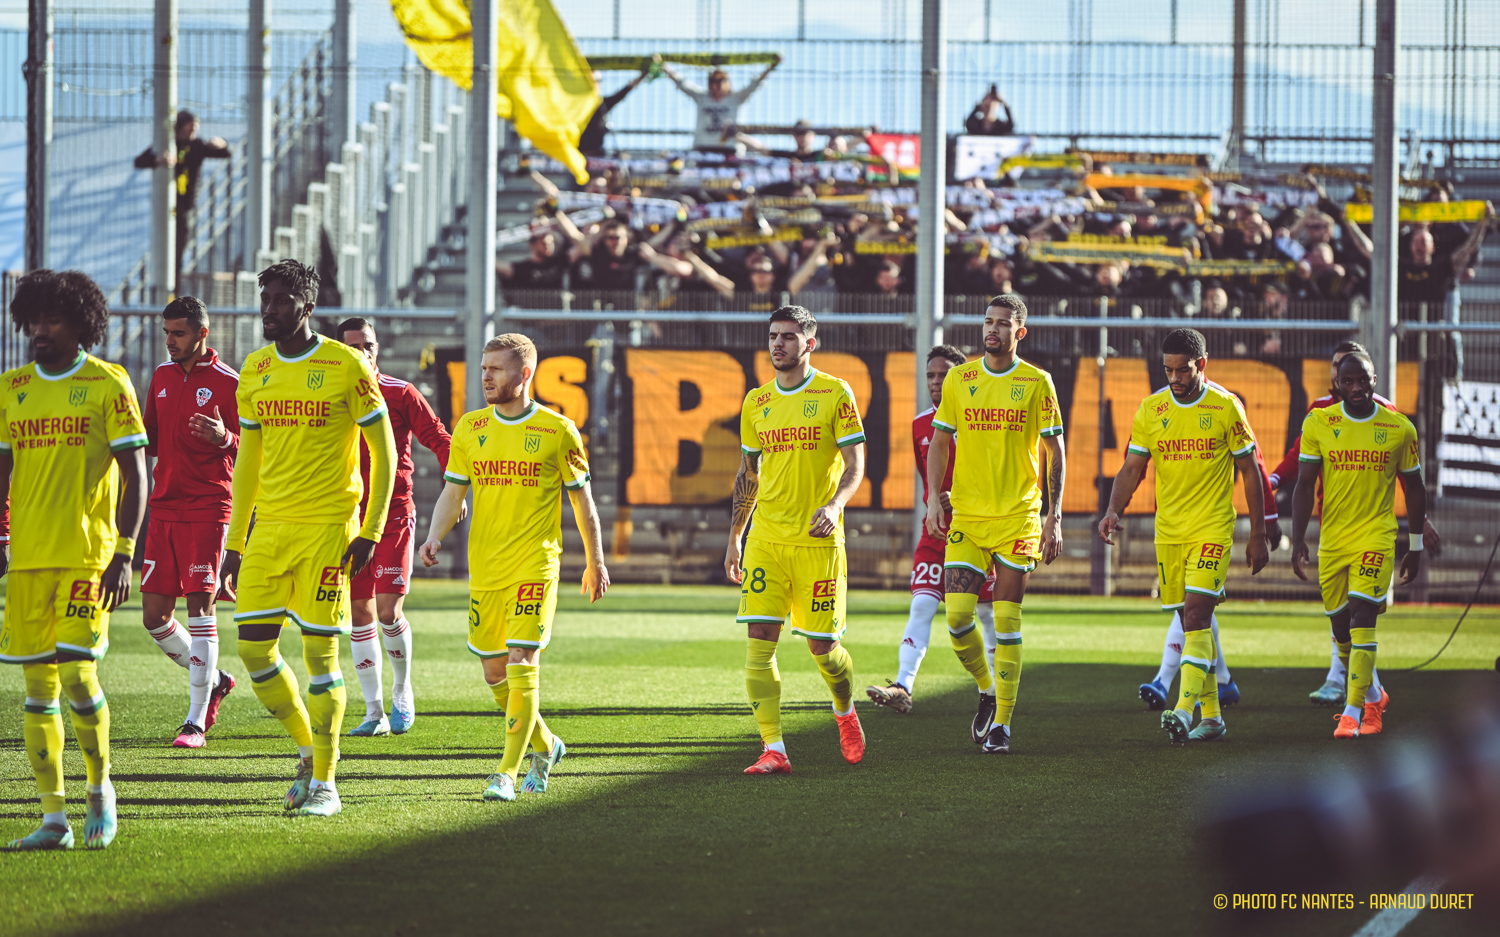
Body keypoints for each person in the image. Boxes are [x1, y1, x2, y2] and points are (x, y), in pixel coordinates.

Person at [218, 259, 396, 818]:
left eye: (278, 301)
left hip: (327, 530)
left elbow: (383, 453)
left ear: (306, 306)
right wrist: (234, 540)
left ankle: (326, 784)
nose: (267, 310)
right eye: (263, 299)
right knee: (252, 649)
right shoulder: (254, 369)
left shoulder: (346, 365)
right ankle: (306, 749)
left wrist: (370, 529)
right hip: (267, 530)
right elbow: (248, 458)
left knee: (321, 656)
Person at [418, 333, 609, 802]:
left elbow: (583, 502)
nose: (485, 376)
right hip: (486, 568)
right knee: (494, 672)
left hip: (535, 565)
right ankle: (546, 745)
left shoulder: (558, 430)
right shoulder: (469, 428)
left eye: (496, 369)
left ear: (525, 374)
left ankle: (505, 772)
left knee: (523, 661)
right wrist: (433, 534)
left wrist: (595, 561)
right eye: (483, 368)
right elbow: (453, 492)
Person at [0, 270, 147, 850]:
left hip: (89, 556)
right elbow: (2, 472)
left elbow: (137, 473)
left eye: (53, 319)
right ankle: (53, 819)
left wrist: (125, 551)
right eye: (34, 319)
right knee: (37, 690)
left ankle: (100, 791)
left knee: (78, 675)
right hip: (29, 561)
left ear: (81, 323)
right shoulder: (12, 387)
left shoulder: (108, 384)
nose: (40, 330)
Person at [1100, 328, 1269, 745]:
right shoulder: (1151, 409)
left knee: (1196, 616)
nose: (1175, 378)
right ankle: (1212, 718)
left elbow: (1250, 470)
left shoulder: (1226, 407)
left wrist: (1258, 533)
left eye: (1183, 370)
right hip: (1169, 532)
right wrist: (1111, 511)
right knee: (1191, 625)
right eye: (1168, 370)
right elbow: (1133, 467)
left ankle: (1182, 709)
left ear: (1202, 365)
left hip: (1212, 526)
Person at [727, 305, 868, 775]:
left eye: (789, 336)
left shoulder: (834, 393)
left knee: (823, 650)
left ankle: (845, 712)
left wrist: (835, 505)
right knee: (759, 640)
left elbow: (855, 464)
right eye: (773, 335)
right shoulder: (756, 402)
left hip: (818, 541)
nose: (778, 344)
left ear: (811, 342)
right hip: (767, 538)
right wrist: (736, 536)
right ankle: (774, 749)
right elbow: (749, 472)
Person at [925, 295, 1065, 754]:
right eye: (988, 321)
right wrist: (932, 500)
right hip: (967, 515)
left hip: (1019, 518)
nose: (993, 329)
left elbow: (1055, 452)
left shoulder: (1037, 382)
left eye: (1003, 323)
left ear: (1019, 332)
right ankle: (987, 688)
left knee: (1006, 621)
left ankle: (1002, 724)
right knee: (958, 619)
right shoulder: (961, 380)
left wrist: (1053, 515)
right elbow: (940, 442)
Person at [1266, 340, 1438, 705]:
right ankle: (1367, 687)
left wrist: (1419, 527)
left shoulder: (1390, 418)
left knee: (1362, 611)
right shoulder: (1319, 414)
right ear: (1336, 376)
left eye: (1358, 375)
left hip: (1373, 528)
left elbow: (1409, 477)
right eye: (1337, 368)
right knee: (1341, 616)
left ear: (1372, 377)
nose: (1346, 379)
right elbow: (1301, 458)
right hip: (1332, 525)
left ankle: (1348, 696)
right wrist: (1278, 480)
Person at [337, 318, 454, 737]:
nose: (363, 352)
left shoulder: (399, 392)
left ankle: (401, 692)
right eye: (353, 346)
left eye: (368, 344)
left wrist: (455, 491)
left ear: (378, 347)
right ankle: (373, 713)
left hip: (393, 515)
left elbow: (440, 438)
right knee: (360, 613)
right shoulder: (331, 392)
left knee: (388, 611)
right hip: (347, 518)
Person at [866, 344, 998, 714]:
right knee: (922, 604)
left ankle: (995, 689)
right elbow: (929, 479)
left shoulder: (982, 419)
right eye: (930, 375)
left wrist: (963, 497)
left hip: (978, 532)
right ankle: (903, 685)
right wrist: (932, 508)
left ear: (961, 375)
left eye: (943, 374)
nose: (936, 382)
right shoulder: (919, 424)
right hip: (936, 532)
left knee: (986, 614)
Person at [140, 296, 240, 749]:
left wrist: (226, 438)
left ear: (202, 333)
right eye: (166, 332)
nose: (170, 341)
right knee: (154, 618)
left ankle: (195, 721)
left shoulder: (229, 382)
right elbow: (149, 438)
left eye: (178, 333)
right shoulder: (160, 377)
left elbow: (258, 448)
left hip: (208, 507)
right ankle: (215, 679)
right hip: (163, 508)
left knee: (201, 610)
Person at [133, 110, 231, 283]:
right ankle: (161, 280)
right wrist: (158, 160)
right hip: (168, 204)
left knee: (180, 246)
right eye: (190, 126)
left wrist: (222, 144)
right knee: (164, 244)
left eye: (196, 126)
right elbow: (139, 161)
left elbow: (225, 153)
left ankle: (174, 283)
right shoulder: (168, 144)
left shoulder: (197, 146)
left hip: (186, 205)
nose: (194, 130)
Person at [657, 55, 781, 152]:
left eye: (722, 80)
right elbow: (682, 83)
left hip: (730, 149)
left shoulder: (736, 98)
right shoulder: (702, 97)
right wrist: (665, 67)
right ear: (710, 83)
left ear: (727, 82)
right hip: (703, 148)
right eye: (714, 81)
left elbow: (755, 84)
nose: (718, 85)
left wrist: (770, 67)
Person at [1397, 211, 1492, 304]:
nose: (1419, 247)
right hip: (1404, 319)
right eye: (1415, 242)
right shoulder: (1400, 267)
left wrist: (1483, 223)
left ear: (1433, 247)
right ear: (1410, 246)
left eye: (1423, 242)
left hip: (1434, 319)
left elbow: (1469, 248)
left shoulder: (1441, 268)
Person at [578, 64, 652, 157]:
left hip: (597, 155)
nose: (596, 84)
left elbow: (624, 92)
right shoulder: (574, 104)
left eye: (598, 81)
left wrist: (642, 76)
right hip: (576, 155)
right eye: (592, 81)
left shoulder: (602, 104)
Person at [497, 230, 569, 292]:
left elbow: (578, 246)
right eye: (544, 243)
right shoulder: (521, 269)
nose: (549, 246)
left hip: (554, 307)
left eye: (552, 242)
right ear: (533, 244)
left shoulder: (558, 262)